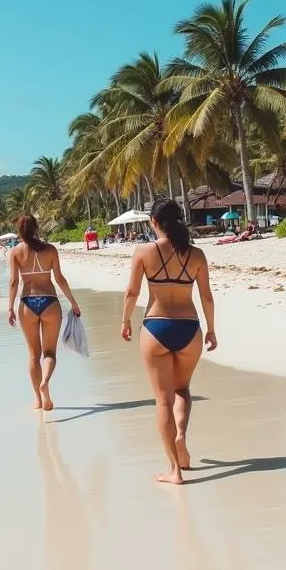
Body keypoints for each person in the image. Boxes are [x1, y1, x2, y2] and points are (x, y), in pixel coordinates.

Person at [120, 198, 216, 485]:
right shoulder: (196, 255)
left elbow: (132, 292)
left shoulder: (143, 251)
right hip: (189, 328)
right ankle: (181, 435)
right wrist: (211, 329)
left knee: (162, 401)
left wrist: (124, 321)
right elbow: (207, 296)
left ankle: (174, 470)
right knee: (182, 389)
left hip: (156, 327)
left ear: (153, 223)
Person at [7, 214, 81, 411]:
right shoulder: (50, 250)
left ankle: (38, 400)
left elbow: (13, 282)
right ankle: (45, 382)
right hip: (49, 302)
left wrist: (10, 308)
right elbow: (60, 279)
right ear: (36, 228)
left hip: (27, 304)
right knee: (49, 353)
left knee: (33, 355)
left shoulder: (15, 252)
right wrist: (73, 302)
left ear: (20, 231)